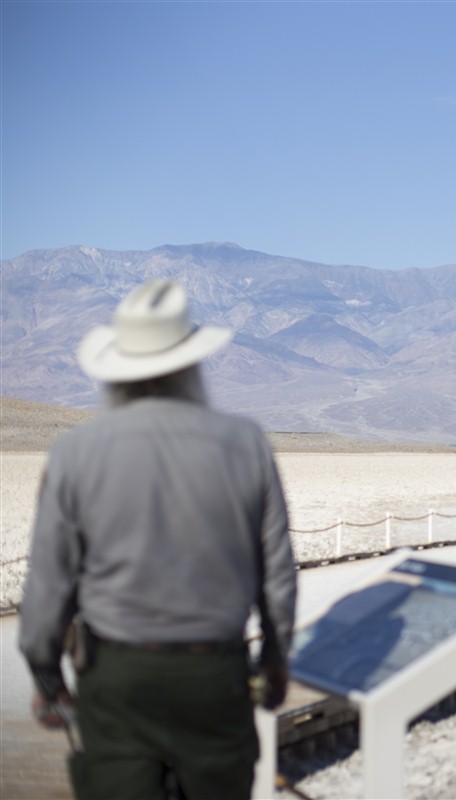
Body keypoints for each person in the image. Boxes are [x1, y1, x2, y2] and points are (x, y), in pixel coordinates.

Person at [19, 280, 297, 800]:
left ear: (118, 371)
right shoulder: (245, 443)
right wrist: (277, 659)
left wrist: (46, 678)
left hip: (117, 679)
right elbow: (276, 573)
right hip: (214, 675)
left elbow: (49, 583)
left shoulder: (75, 452)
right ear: (192, 363)